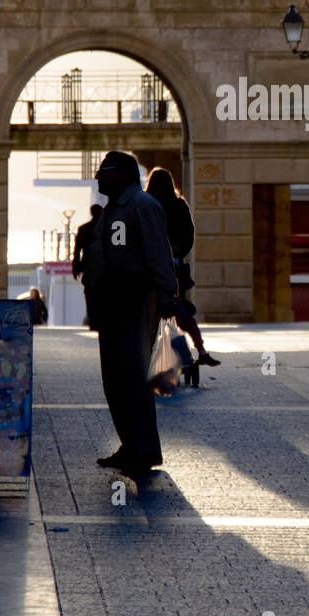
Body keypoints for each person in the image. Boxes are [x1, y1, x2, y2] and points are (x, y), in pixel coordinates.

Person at [82, 150, 179, 482]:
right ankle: (130, 445)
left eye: (104, 170)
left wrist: (166, 295)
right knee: (115, 379)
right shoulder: (117, 208)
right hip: (111, 302)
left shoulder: (142, 206)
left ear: (123, 173)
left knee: (133, 377)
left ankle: (144, 449)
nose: (97, 176)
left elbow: (158, 253)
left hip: (132, 299)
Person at [145, 167, 220, 367]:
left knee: (166, 314)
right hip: (172, 268)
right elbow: (188, 237)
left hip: (159, 268)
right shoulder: (177, 206)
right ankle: (199, 351)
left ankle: (161, 354)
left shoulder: (146, 205)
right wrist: (174, 249)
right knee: (178, 313)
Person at [72, 202, 103, 328]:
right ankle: (101, 319)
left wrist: (76, 268)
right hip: (104, 268)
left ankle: (92, 319)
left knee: (90, 295)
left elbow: (77, 251)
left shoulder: (83, 229)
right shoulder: (107, 228)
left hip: (88, 268)